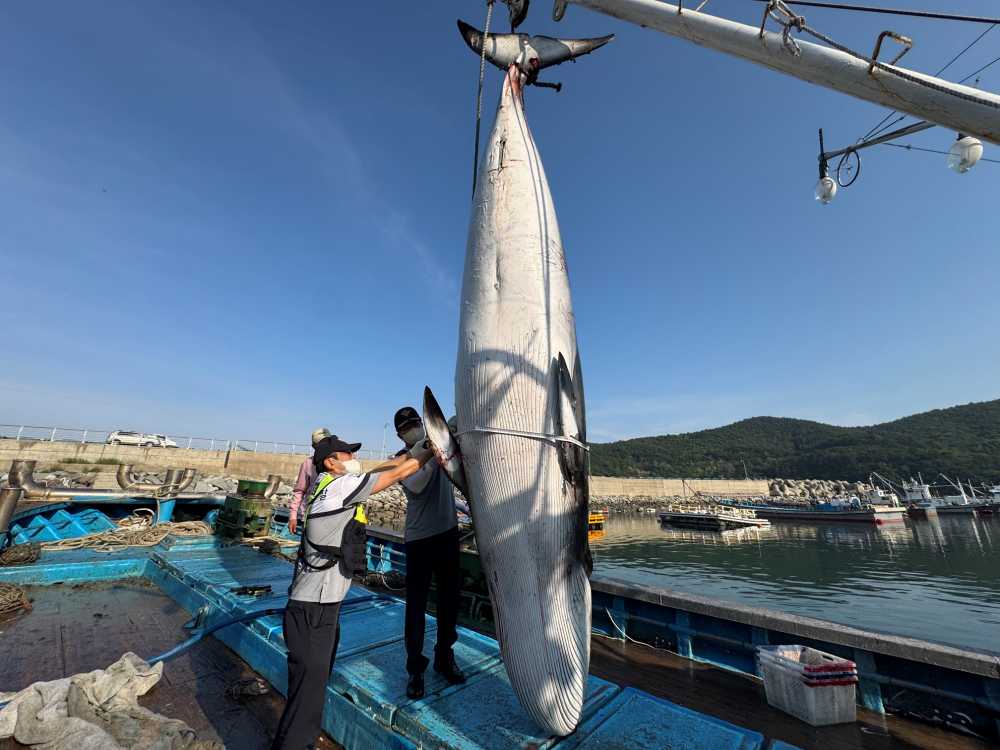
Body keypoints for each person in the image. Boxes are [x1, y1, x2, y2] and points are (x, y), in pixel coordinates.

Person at [271, 434, 434, 750]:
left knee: (308, 692)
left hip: (315, 610)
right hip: (314, 611)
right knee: (307, 698)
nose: (352, 458)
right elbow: (398, 473)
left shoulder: (325, 485)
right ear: (331, 461)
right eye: (347, 454)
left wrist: (418, 446)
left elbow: (389, 466)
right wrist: (433, 446)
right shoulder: (339, 488)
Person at [393, 406, 466, 700]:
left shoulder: (435, 444)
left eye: (416, 423)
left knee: (450, 602)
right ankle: (415, 669)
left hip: (448, 535)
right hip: (419, 540)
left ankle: (444, 657)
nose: (413, 428)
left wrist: (458, 421)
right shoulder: (399, 461)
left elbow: (457, 430)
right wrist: (434, 448)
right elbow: (419, 484)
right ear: (400, 434)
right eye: (407, 427)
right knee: (416, 607)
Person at [288, 427, 330, 534]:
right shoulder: (308, 463)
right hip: (309, 517)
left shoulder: (338, 464)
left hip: (329, 519)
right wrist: (293, 516)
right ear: (314, 447)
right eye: (320, 445)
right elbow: (299, 490)